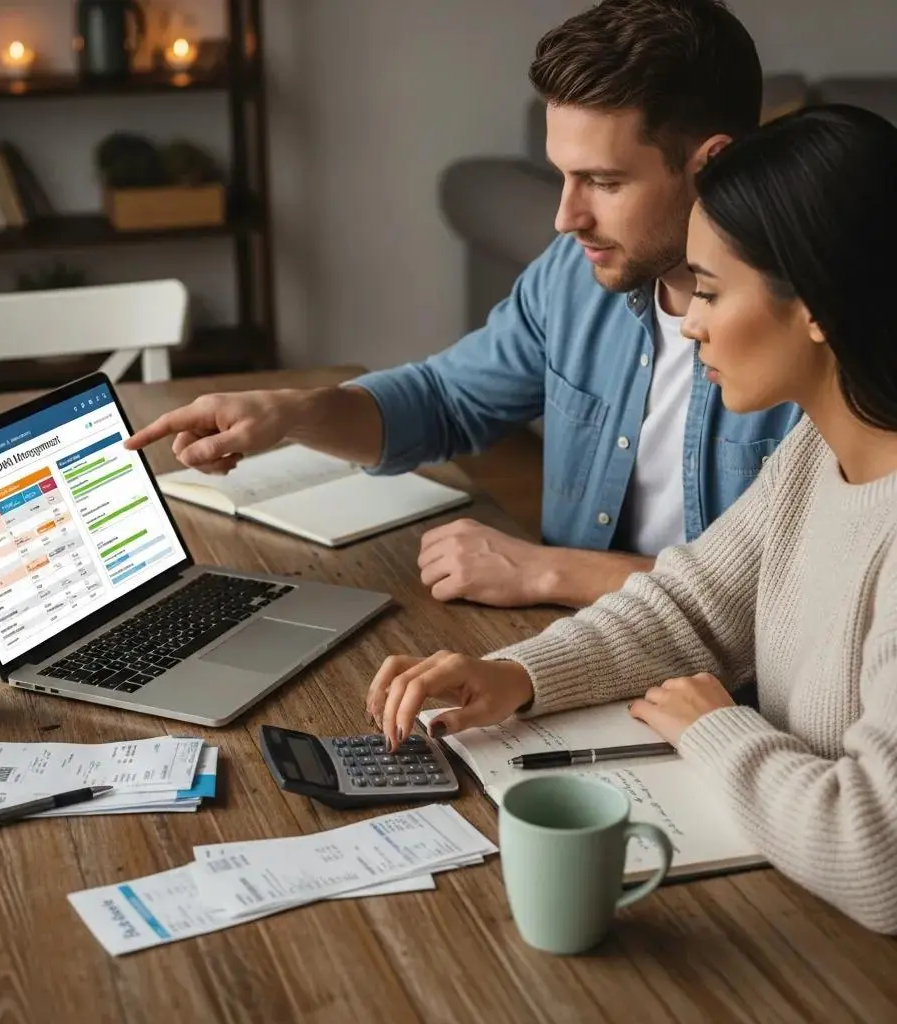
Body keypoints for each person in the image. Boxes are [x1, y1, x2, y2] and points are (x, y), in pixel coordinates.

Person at [365, 104, 897, 933]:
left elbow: (878, 856)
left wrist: (717, 728)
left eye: (713, 292)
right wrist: (517, 675)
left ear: (816, 307)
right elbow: (689, 606)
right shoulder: (814, 457)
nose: (691, 322)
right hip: (792, 893)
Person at [126, 0, 800, 610]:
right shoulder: (576, 274)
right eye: (561, 175)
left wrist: (554, 572)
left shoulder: (819, 335)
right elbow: (447, 399)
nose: (566, 217)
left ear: (712, 165)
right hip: (574, 648)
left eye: (603, 181)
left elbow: (799, 596)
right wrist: (294, 412)